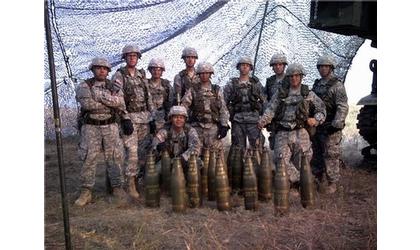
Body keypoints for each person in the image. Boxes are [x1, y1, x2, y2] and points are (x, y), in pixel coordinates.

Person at [257, 63, 326, 191]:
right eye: (291, 76)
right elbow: (270, 110)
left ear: (301, 77)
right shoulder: (281, 93)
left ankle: (299, 186)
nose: (294, 78)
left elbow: (321, 110)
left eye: (297, 76)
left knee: (303, 161)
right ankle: (302, 181)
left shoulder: (308, 94)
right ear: (288, 78)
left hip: (301, 131)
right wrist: (262, 121)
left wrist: (315, 120)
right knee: (280, 161)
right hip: (283, 132)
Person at [74, 57, 127, 207]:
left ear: (108, 71)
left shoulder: (114, 85)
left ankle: (117, 188)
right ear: (93, 70)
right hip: (91, 126)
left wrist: (100, 96)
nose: (102, 70)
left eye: (105, 69)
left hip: (110, 125)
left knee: (114, 157)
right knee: (89, 157)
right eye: (98, 68)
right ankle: (86, 191)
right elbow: (88, 104)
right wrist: (110, 102)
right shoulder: (85, 85)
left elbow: (121, 102)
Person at [111, 44, 156, 199]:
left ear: (138, 58)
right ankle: (129, 184)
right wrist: (125, 118)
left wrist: (152, 117)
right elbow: (118, 99)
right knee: (132, 153)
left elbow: (148, 96)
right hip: (130, 120)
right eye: (129, 56)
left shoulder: (141, 75)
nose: (132, 58)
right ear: (124, 58)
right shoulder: (119, 75)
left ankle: (138, 181)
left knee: (143, 152)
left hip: (144, 118)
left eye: (135, 55)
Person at [311, 55, 349, 194]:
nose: (322, 69)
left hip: (331, 126)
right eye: (320, 67)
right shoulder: (316, 85)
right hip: (317, 125)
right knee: (316, 154)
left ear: (331, 68)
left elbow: (342, 106)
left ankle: (332, 183)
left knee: (331, 155)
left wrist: (336, 124)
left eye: (325, 66)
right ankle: (317, 180)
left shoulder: (337, 86)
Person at [181, 62, 230, 159]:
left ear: (210, 74)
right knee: (194, 155)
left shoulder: (216, 90)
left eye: (206, 73)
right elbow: (184, 107)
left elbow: (223, 109)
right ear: (198, 75)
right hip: (197, 127)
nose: (204, 75)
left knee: (215, 157)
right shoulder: (192, 90)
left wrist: (224, 125)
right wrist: (183, 124)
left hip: (213, 128)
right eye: (201, 73)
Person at [224, 56, 266, 152]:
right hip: (238, 120)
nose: (244, 67)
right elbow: (223, 102)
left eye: (247, 65)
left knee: (257, 148)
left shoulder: (256, 84)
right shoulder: (231, 84)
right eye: (242, 65)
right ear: (238, 67)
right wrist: (225, 119)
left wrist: (263, 119)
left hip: (254, 121)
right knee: (238, 149)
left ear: (250, 68)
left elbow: (265, 101)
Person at [151, 106, 202, 173]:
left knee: (198, 163)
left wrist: (183, 158)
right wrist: (158, 147)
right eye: (175, 117)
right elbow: (154, 144)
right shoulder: (165, 131)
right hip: (169, 160)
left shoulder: (190, 131)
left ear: (185, 119)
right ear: (171, 119)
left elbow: (196, 147)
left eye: (181, 117)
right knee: (155, 171)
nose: (178, 120)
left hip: (185, 160)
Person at [264, 53, 288, 150]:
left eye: (280, 64)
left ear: (284, 66)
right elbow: (264, 97)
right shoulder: (270, 81)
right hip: (274, 119)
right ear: (272, 67)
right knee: (275, 147)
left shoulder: (291, 79)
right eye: (275, 65)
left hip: (287, 118)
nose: (278, 67)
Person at [147, 58, 174, 131]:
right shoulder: (145, 84)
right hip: (147, 118)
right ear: (150, 70)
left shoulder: (166, 85)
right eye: (154, 69)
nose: (156, 72)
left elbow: (170, 103)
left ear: (162, 71)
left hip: (161, 117)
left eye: (159, 70)